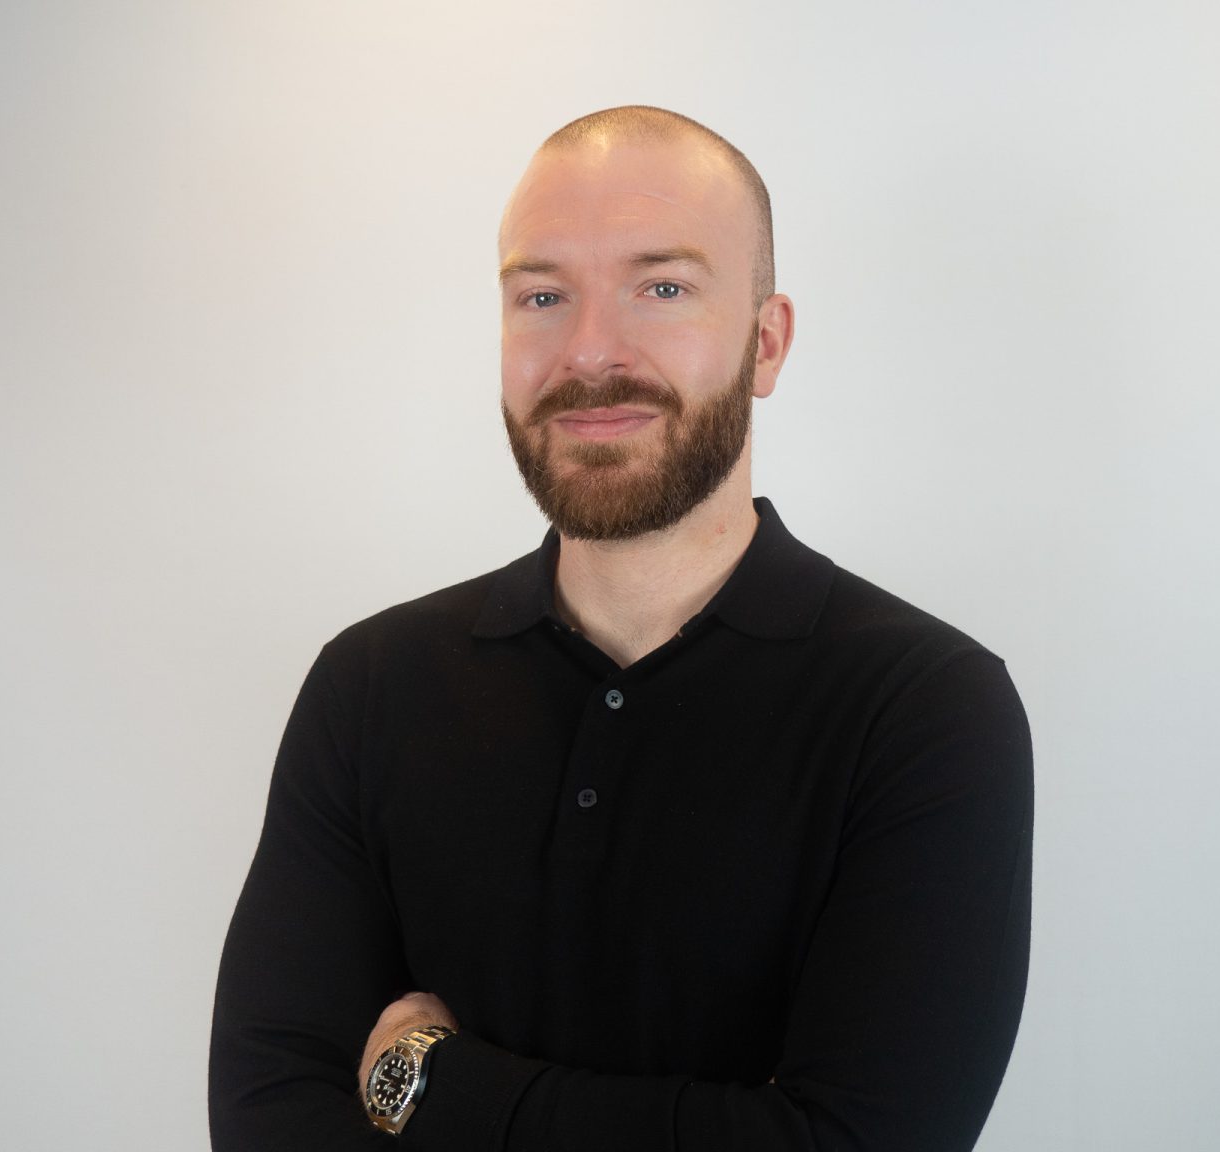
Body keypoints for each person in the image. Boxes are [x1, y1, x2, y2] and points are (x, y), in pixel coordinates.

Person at [209, 105, 1033, 1152]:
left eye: (663, 287)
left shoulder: (925, 708)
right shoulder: (369, 685)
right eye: (543, 295)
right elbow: (267, 1116)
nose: (591, 351)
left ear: (765, 341)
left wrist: (426, 1086)